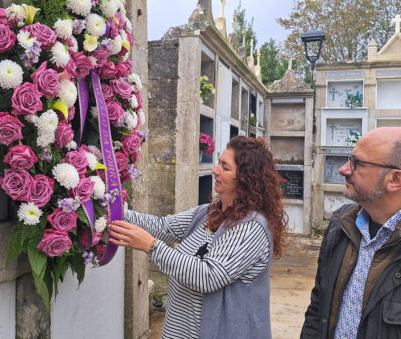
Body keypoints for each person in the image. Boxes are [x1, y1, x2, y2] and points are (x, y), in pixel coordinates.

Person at [109, 136, 287, 339]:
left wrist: (152, 247)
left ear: (247, 178)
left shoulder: (251, 227)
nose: (215, 170)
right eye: (218, 163)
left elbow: (208, 276)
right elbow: (162, 226)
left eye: (225, 167)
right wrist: (114, 211)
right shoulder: (207, 213)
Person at [301, 127, 401, 339]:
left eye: (358, 163)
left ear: (394, 180)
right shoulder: (341, 224)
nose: (344, 169)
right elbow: (318, 307)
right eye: (349, 159)